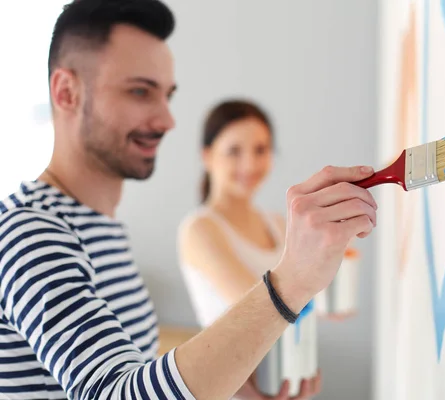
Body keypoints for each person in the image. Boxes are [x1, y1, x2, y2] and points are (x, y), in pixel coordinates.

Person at [0, 0, 378, 399]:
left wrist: (229, 385)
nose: (167, 120)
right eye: (140, 91)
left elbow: (133, 370)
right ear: (66, 92)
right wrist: (291, 282)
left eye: (167, 95)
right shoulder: (28, 234)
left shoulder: (102, 230)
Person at [178, 99, 320, 399]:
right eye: (234, 151)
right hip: (237, 389)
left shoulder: (279, 223)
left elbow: (301, 301)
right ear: (207, 156)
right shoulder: (200, 229)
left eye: (260, 150)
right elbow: (260, 304)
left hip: (287, 377)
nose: (250, 165)